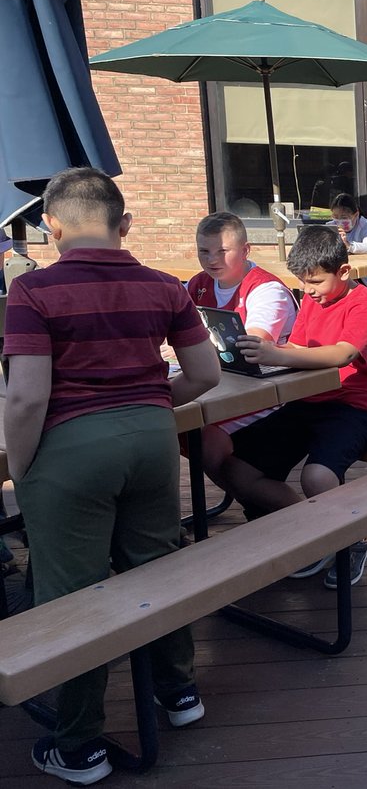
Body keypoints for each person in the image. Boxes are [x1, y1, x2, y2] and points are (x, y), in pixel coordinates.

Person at [3, 167, 220, 785]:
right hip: (154, 441)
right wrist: (148, 401)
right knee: (159, 565)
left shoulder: (33, 292)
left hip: (70, 450)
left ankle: (80, 746)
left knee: (73, 597)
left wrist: (22, 469)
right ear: (123, 223)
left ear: (52, 225)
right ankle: (179, 694)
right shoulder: (164, 286)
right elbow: (203, 375)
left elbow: (24, 400)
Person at [223, 225, 367, 589]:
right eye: (302, 283)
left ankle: (355, 537)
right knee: (238, 468)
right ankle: (315, 530)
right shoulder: (313, 301)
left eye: (315, 282)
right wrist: (264, 357)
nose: (308, 291)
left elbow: (343, 353)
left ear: (344, 272)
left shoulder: (366, 303)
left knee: (317, 476)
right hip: (308, 400)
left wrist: (275, 353)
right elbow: (299, 348)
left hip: (357, 404)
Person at [187, 212, 298, 501]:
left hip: (273, 388)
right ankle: (251, 495)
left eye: (222, 251)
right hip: (224, 383)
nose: (212, 260)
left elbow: (253, 346)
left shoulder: (267, 289)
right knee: (174, 428)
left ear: (246, 250)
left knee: (203, 438)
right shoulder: (196, 284)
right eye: (204, 251)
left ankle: (257, 498)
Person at [329, 192, 367, 291]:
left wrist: (348, 245)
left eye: (344, 217)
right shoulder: (331, 226)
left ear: (356, 214)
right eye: (335, 217)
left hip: (365, 279)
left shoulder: (366, 225)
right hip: (341, 276)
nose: (339, 221)